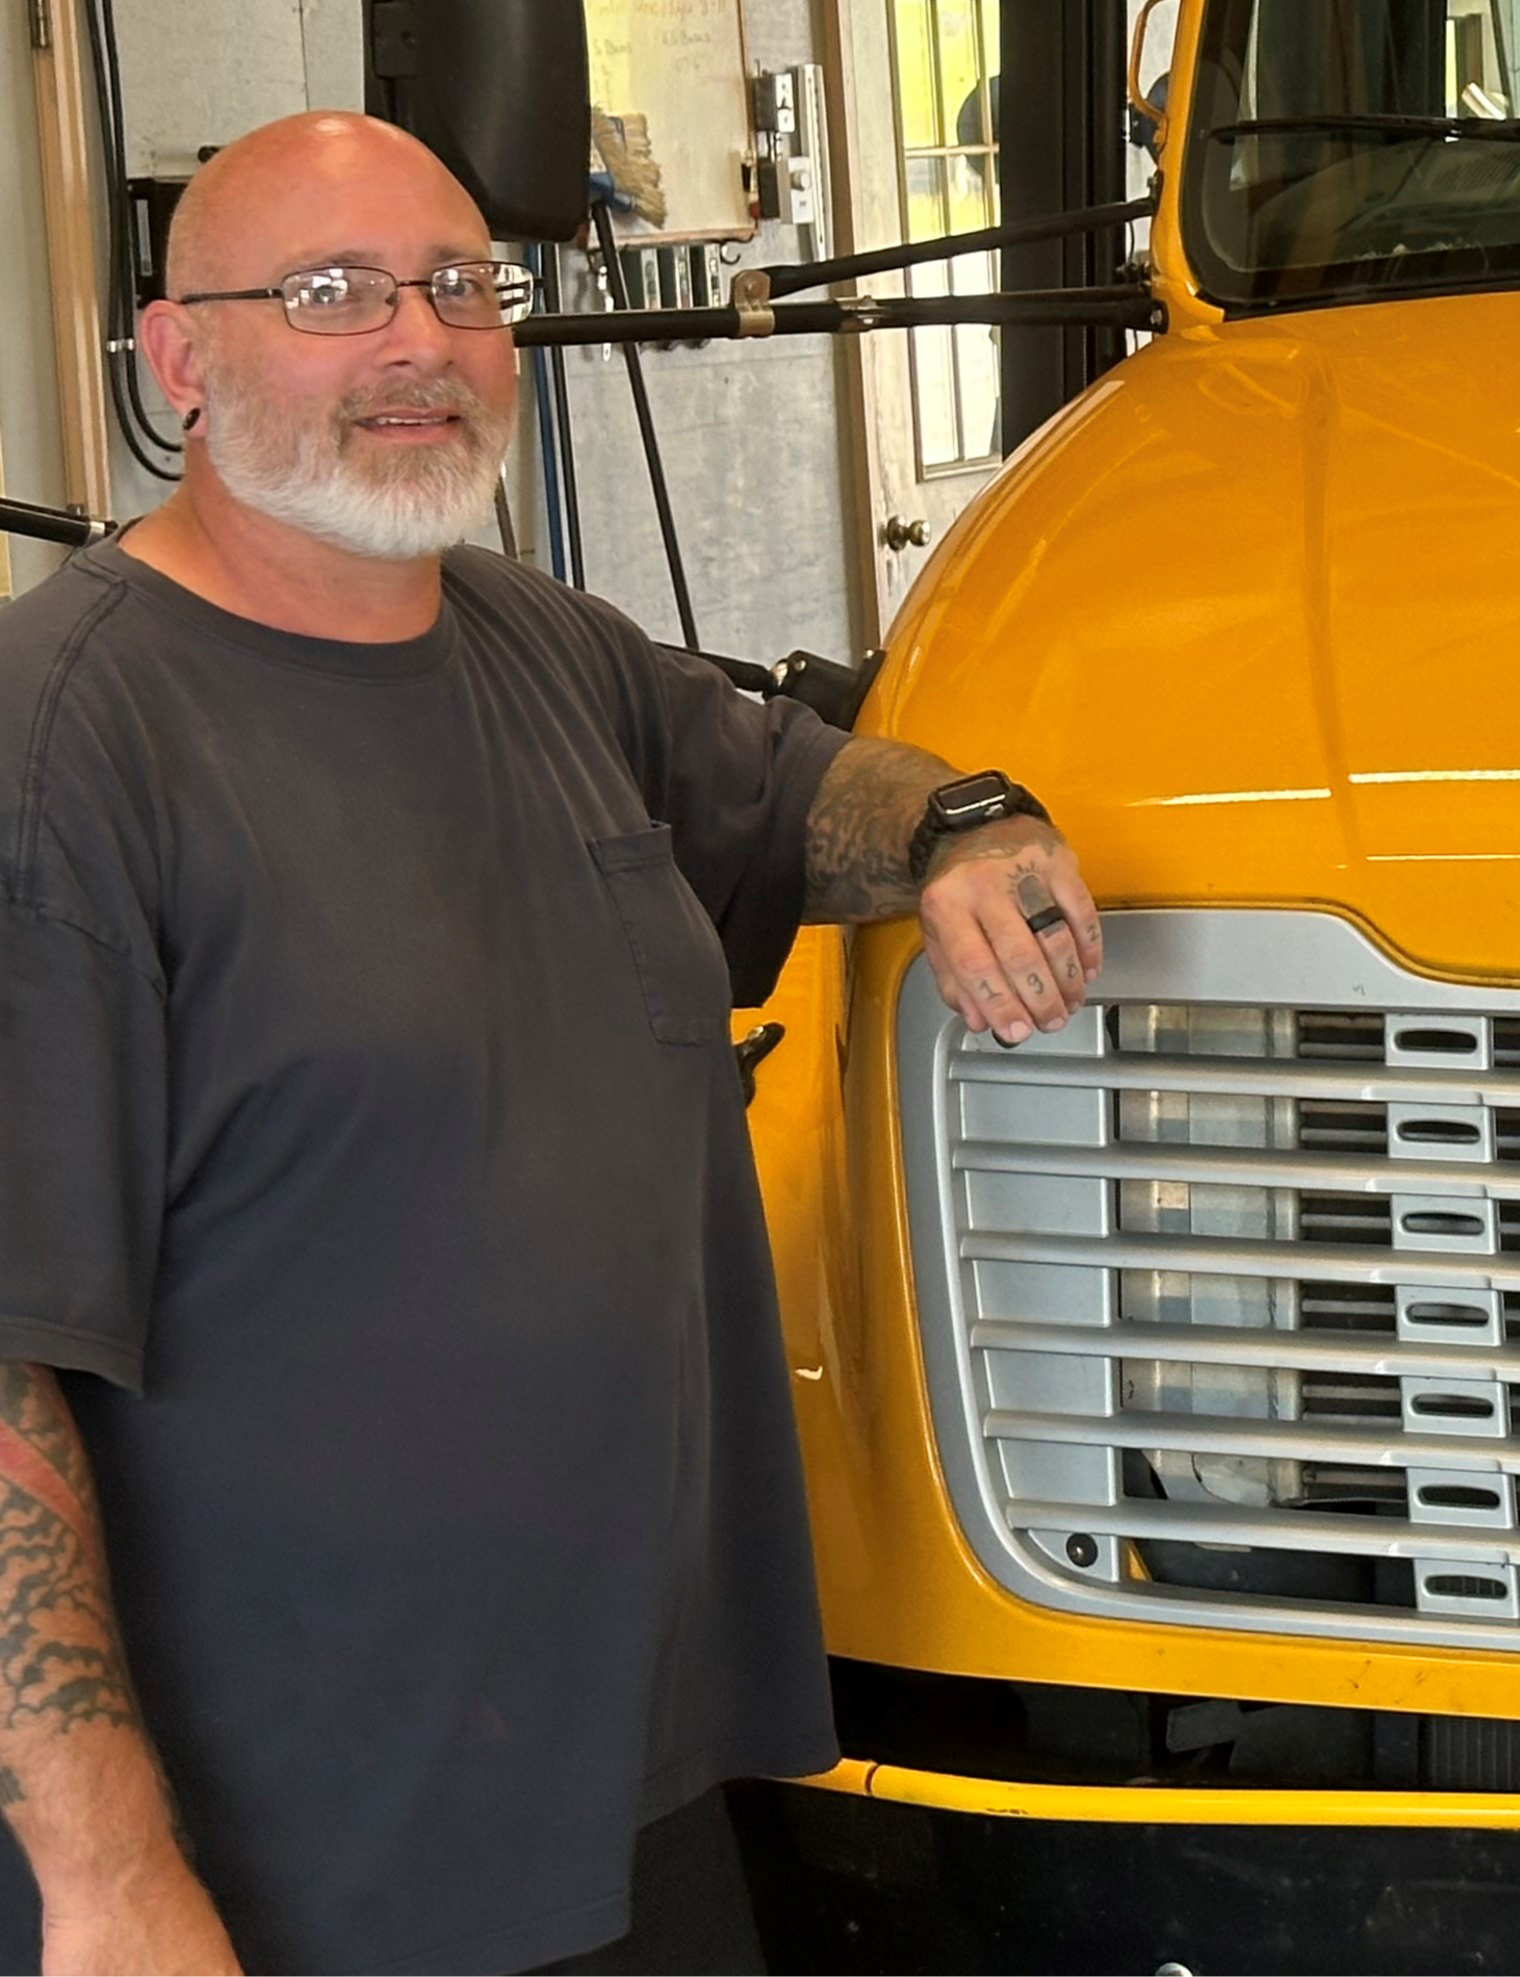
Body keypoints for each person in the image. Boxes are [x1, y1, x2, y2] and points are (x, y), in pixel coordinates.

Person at [0, 113, 1108, 1977]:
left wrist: (963, 827)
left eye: (459, 288)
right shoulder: (69, 753)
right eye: (333, 296)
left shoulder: (535, 646)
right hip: (298, 1857)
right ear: (178, 358)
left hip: (619, 1789)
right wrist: (109, 1886)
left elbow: (800, 795)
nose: (418, 343)